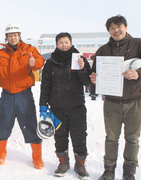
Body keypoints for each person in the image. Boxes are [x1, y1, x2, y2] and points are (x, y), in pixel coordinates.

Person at [89, 15, 141, 180]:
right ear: (108, 31)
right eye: (112, 28)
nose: (116, 30)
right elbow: (95, 74)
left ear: (126, 27)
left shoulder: (140, 44)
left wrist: (139, 72)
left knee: (132, 138)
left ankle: (129, 172)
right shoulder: (103, 50)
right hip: (112, 102)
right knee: (111, 138)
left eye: (119, 26)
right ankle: (108, 171)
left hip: (136, 100)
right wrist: (94, 79)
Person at [0, 23, 45, 169]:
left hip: (24, 94)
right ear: (6, 38)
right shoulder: (1, 52)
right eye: (10, 36)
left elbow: (40, 62)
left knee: (30, 125)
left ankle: (37, 157)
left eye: (15, 35)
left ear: (19, 36)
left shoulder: (29, 50)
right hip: (7, 95)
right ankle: (1, 153)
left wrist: (35, 62)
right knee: (3, 124)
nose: (13, 38)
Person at [39, 32, 92, 178]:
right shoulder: (50, 62)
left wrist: (82, 69)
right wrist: (43, 105)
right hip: (57, 107)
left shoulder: (80, 60)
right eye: (61, 42)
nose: (64, 45)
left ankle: (80, 164)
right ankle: (63, 161)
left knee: (79, 135)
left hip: (77, 106)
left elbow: (87, 82)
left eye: (66, 42)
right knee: (60, 136)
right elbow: (45, 85)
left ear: (71, 43)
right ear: (56, 44)